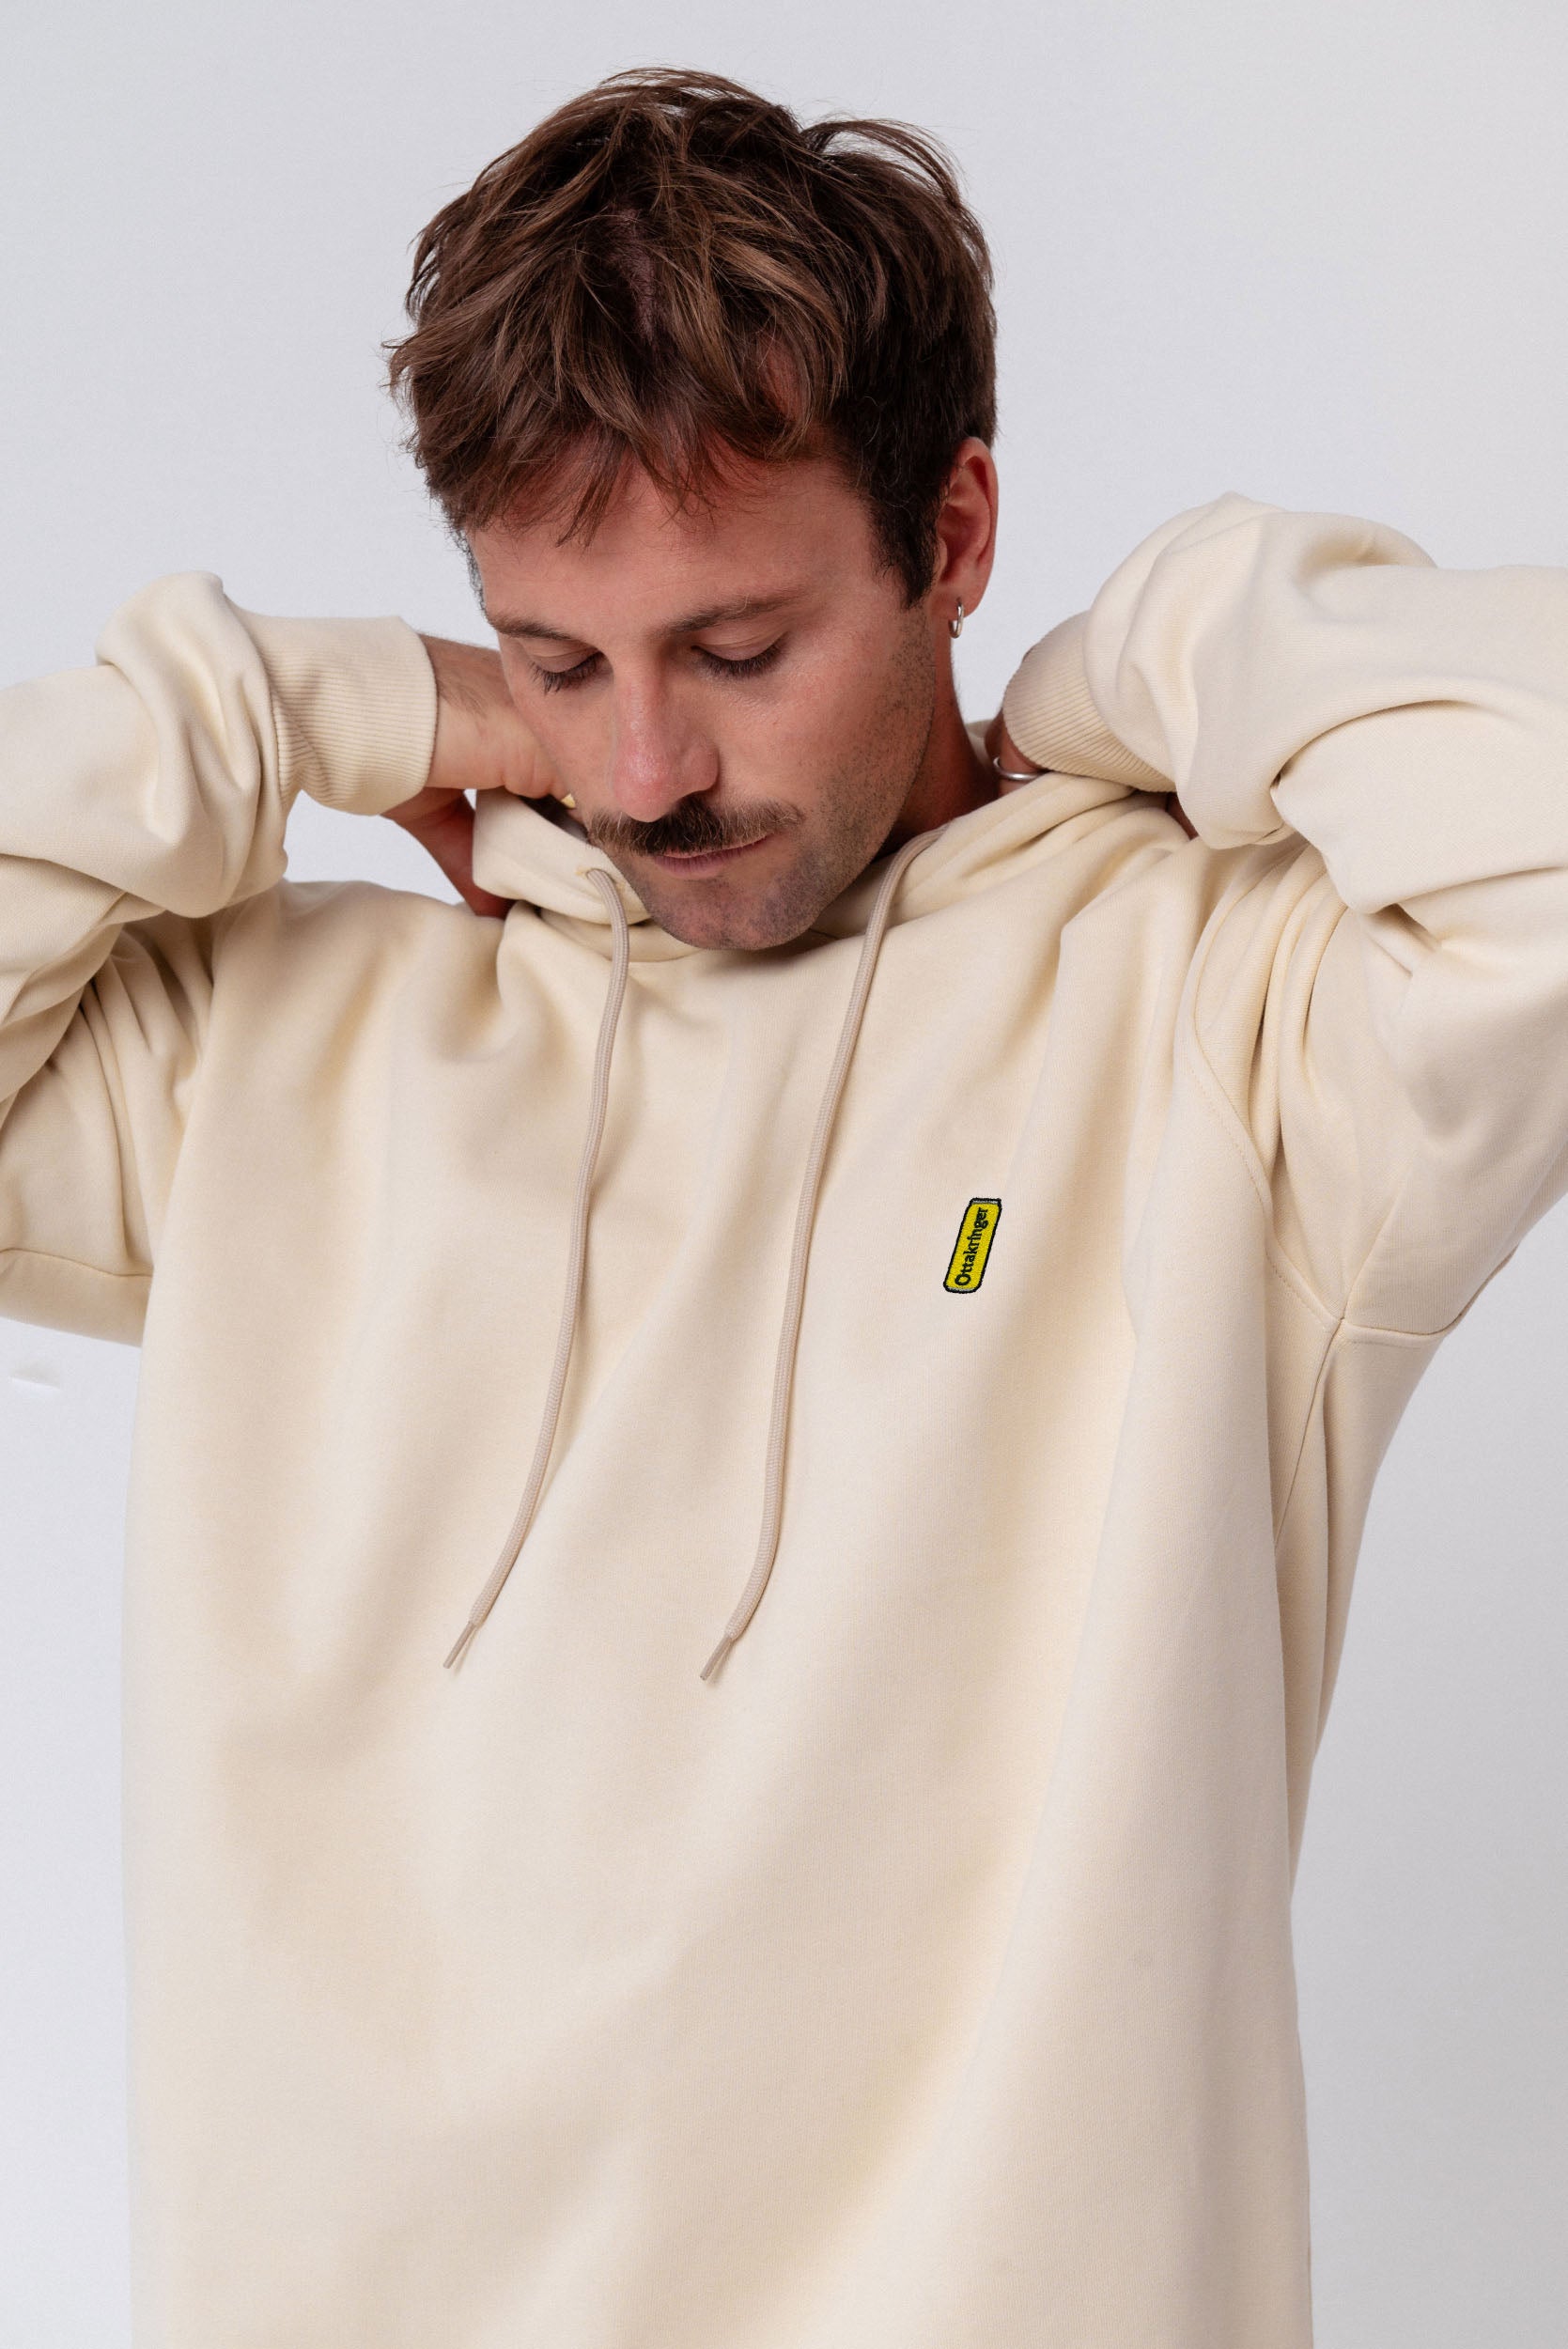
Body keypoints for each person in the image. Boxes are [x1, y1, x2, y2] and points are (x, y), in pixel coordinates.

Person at [3, 61, 1565, 2349]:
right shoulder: (278, 1054)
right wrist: (292, 704)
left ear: (951, 532)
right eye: (557, 661)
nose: (646, 772)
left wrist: (1134, 663)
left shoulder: (1224, 1029)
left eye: (739, 650)